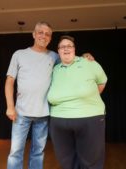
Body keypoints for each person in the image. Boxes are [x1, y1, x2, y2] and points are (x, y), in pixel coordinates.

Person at [5, 22, 94, 169]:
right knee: (15, 152)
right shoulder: (19, 54)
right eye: (40, 32)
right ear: (34, 34)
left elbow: (69, 59)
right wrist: (10, 107)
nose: (43, 36)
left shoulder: (54, 56)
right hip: (20, 113)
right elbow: (9, 82)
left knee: (38, 152)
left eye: (47, 34)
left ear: (50, 38)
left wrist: (84, 56)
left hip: (44, 114)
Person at [47, 35, 108, 169]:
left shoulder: (89, 63)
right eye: (62, 47)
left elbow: (102, 83)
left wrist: (85, 99)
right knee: (66, 162)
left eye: (69, 46)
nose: (66, 49)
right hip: (59, 121)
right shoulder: (54, 69)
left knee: (91, 161)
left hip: (90, 118)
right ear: (58, 51)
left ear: (75, 49)